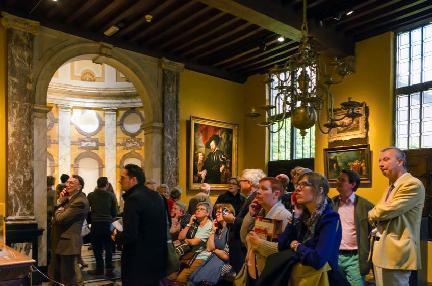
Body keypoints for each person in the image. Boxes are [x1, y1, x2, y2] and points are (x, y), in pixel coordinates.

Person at [368, 147, 425, 286]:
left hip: (396, 253)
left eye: (386, 159)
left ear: (400, 161)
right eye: (379, 160)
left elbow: (383, 211)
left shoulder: (412, 184)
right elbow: (381, 211)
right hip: (382, 252)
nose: (381, 164)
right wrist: (376, 213)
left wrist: (371, 213)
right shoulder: (390, 187)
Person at [277, 172, 343, 285]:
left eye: (303, 184)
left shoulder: (330, 218)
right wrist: (295, 217)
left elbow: (318, 259)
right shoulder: (303, 216)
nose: (297, 189)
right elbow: (281, 245)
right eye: (297, 185)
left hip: (323, 279)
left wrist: (296, 246)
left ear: (320, 190)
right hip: (301, 278)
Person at [117, 164, 167, 286]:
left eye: (123, 177)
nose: (119, 180)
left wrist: (116, 237)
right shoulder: (157, 196)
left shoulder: (133, 199)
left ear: (133, 179)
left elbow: (130, 235)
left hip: (138, 261)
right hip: (157, 258)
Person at [240, 177, 292, 278]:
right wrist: (251, 215)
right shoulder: (262, 212)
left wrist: (258, 243)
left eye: (264, 189)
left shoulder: (282, 216)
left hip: (270, 274)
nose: (258, 191)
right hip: (255, 270)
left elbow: (283, 251)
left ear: (276, 194)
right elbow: (244, 239)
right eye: (259, 188)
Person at [332, 170, 374, 286]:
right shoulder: (331, 204)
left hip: (355, 258)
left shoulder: (366, 206)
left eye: (342, 180)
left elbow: (373, 233)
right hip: (334, 255)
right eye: (338, 179)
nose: (338, 182)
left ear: (353, 184)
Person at [222, 168, 266, 273]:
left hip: (242, 246)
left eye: (241, 181)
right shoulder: (250, 197)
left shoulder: (255, 198)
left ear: (249, 183)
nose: (239, 184)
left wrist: (233, 219)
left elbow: (254, 223)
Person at [49, 175, 89, 286]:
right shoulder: (69, 198)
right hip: (60, 242)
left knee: (69, 279)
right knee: (57, 276)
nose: (67, 185)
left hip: (68, 245)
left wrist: (59, 203)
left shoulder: (80, 201)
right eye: (67, 182)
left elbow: (60, 219)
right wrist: (60, 202)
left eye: (71, 183)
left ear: (79, 187)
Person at [189, 204, 235, 285]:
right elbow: (209, 248)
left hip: (222, 262)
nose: (217, 214)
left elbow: (226, 256)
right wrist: (213, 231)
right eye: (217, 212)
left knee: (203, 280)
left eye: (220, 212)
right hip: (213, 258)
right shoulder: (218, 229)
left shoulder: (231, 230)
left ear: (229, 214)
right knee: (194, 279)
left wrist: (214, 250)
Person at [175, 202, 213, 285]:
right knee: (172, 275)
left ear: (207, 213)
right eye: (197, 209)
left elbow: (194, 242)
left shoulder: (208, 225)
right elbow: (180, 237)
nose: (198, 211)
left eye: (202, 209)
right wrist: (189, 223)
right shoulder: (195, 223)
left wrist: (185, 241)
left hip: (201, 256)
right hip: (188, 254)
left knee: (180, 279)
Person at [87, 177, 118, 276]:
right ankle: (109, 268)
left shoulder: (91, 195)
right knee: (109, 246)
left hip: (96, 223)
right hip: (108, 223)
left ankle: (99, 269)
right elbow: (114, 212)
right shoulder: (111, 195)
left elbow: (87, 210)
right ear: (107, 185)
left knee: (96, 247)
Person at [47, 176, 56, 264]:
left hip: (41, 216)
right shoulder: (53, 192)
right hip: (49, 216)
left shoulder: (42, 191)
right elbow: (54, 205)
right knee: (49, 238)